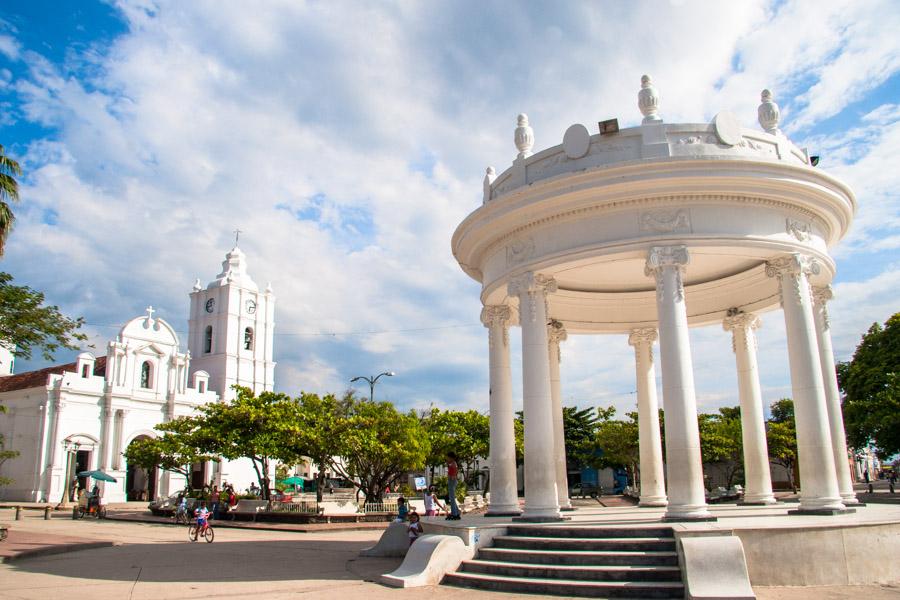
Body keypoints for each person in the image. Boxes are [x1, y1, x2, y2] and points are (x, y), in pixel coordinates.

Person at [446, 452, 461, 520]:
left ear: (451, 457)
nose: (447, 458)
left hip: (452, 480)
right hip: (451, 480)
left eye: (448, 457)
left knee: (451, 498)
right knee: (451, 498)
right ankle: (456, 512)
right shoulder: (451, 463)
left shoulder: (454, 463)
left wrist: (453, 476)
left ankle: (454, 514)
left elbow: (455, 471)